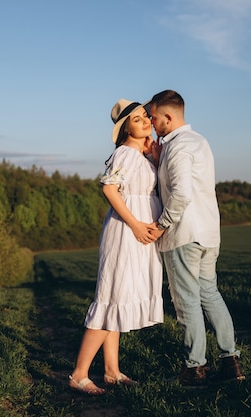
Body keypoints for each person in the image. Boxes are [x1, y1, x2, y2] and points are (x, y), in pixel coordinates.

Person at [147, 90, 245, 388]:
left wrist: (161, 225)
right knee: (209, 294)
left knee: (186, 302)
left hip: (184, 234)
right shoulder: (196, 142)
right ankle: (231, 364)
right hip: (208, 234)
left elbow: (181, 194)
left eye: (153, 117)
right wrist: (159, 158)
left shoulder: (178, 148)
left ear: (168, 116)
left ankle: (195, 369)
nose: (151, 123)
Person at [68, 99, 164, 395]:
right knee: (111, 297)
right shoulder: (124, 153)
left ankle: (112, 371)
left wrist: (156, 159)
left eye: (145, 116)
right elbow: (109, 188)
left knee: (118, 298)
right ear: (125, 129)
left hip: (138, 231)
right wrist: (136, 224)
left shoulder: (142, 155)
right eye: (137, 120)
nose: (146, 121)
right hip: (125, 231)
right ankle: (78, 375)